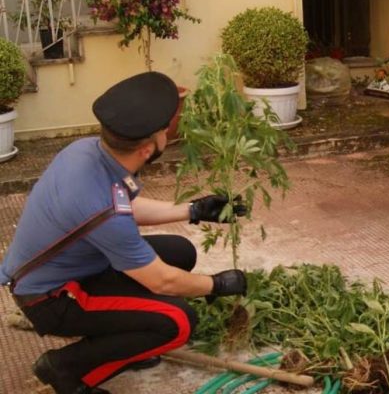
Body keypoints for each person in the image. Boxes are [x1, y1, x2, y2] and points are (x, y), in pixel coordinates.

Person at [0, 72, 248, 394]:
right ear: (147, 149)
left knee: (179, 252)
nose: (168, 132)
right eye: (165, 130)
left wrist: (193, 210)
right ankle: (65, 369)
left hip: (77, 267)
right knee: (179, 321)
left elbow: (123, 206)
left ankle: (124, 339)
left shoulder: (89, 151)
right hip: (54, 299)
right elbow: (162, 280)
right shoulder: (99, 207)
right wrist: (217, 284)